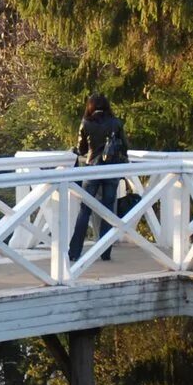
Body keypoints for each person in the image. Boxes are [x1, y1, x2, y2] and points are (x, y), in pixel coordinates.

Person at [67, 94, 128, 262]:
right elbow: (125, 147)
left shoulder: (86, 123)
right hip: (111, 170)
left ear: (90, 106)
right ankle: (105, 251)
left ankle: (74, 252)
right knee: (108, 210)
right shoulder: (116, 123)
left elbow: (81, 149)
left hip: (92, 169)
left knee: (84, 210)